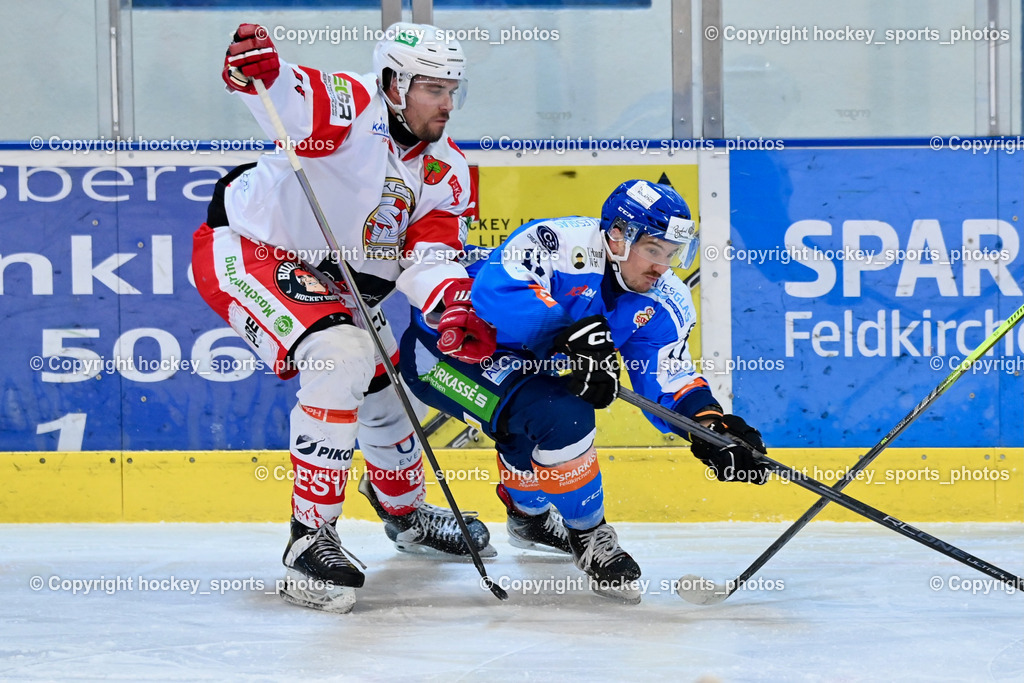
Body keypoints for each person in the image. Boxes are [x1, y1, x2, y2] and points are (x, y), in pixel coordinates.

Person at [191, 21, 498, 613]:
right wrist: (260, 72)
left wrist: (452, 303)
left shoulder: (447, 171)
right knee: (343, 358)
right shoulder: (350, 105)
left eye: (453, 89)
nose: (447, 104)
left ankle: (406, 516)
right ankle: (310, 537)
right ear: (392, 82)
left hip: (339, 283)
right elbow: (287, 97)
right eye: (433, 88)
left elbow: (428, 255)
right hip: (254, 249)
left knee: (386, 394)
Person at [399, 179, 769, 603]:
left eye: (671, 254)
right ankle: (590, 536)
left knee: (535, 423)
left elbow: (668, 376)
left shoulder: (664, 300)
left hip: (526, 370)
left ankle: (529, 517)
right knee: (561, 415)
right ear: (617, 236)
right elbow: (494, 297)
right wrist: (569, 337)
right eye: (653, 250)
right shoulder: (557, 241)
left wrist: (708, 425)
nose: (662, 267)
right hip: (449, 356)